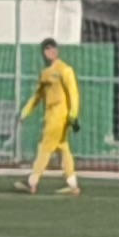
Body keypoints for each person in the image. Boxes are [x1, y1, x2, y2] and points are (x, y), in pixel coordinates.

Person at [20, 38, 85, 196]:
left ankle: (32, 181)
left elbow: (73, 93)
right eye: (47, 49)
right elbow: (37, 95)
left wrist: (73, 115)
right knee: (63, 148)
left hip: (60, 116)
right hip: (51, 115)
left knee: (45, 147)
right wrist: (25, 112)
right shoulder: (45, 73)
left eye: (53, 48)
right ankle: (72, 184)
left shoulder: (65, 70)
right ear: (43, 52)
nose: (51, 51)